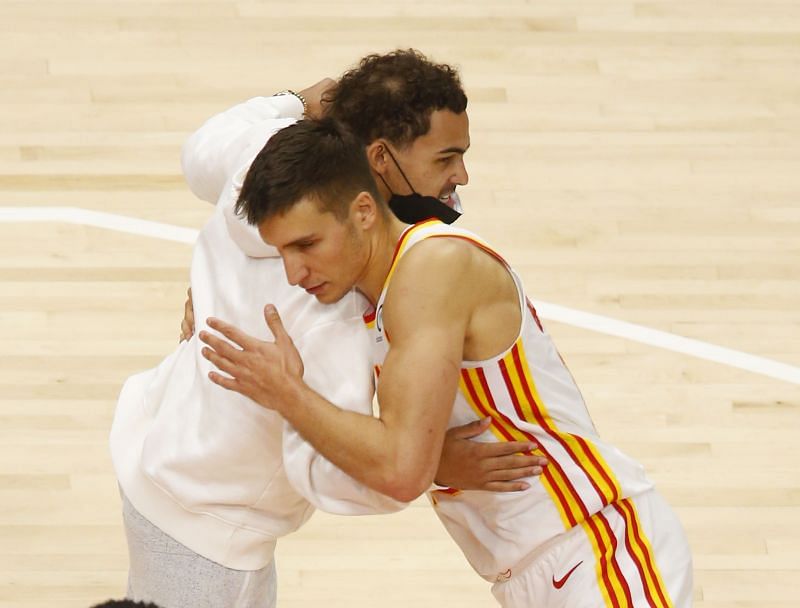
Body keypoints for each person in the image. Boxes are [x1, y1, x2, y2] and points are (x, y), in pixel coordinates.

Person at [110, 49, 547, 608]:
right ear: (381, 160)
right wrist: (430, 460)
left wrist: (293, 100)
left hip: (152, 444)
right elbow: (329, 470)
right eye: (444, 159)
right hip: (210, 529)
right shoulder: (338, 307)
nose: (459, 176)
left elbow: (200, 153)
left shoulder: (264, 166)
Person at [199, 118, 694, 607]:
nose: (293, 272)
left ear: (365, 211)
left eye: (306, 245)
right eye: (281, 251)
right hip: (539, 570)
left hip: (599, 551)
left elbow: (399, 470)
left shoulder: (431, 269)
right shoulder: (383, 290)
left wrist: (287, 393)